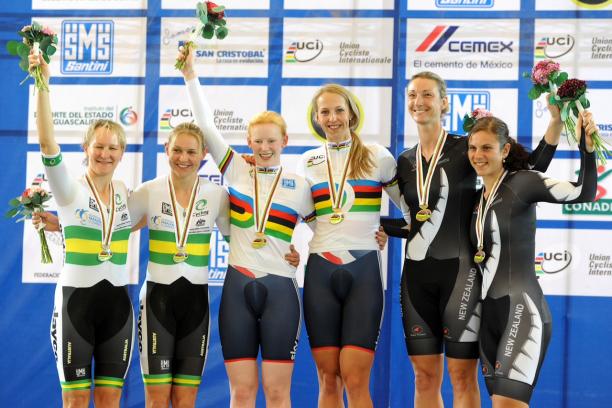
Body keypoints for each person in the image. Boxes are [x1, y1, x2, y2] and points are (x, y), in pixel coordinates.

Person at [382, 71, 562, 408]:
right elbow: (416, 220)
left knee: (461, 377)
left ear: (444, 102)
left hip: (461, 277)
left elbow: (529, 169)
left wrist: (554, 123)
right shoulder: (404, 161)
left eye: (427, 95)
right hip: (416, 280)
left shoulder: (468, 148)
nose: (418, 102)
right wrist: (379, 229)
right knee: (423, 378)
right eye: (412, 95)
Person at [179, 49, 314, 407]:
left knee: (277, 392)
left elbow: (331, 230)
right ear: (248, 142)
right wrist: (190, 75)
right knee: (240, 392)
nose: (266, 147)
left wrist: (372, 236)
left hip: (281, 289)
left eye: (272, 141)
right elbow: (206, 128)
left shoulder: (300, 186)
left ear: (285, 141)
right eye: (259, 141)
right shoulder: (236, 169)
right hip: (237, 286)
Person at [467, 113, 597, 407]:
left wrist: (586, 147)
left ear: (505, 150)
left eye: (486, 148)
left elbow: (584, 192)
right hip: (489, 316)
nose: (478, 155)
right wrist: (382, 228)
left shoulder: (523, 183)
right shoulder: (477, 199)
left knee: (507, 404)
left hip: (522, 309)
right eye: (473, 148)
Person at [30, 53, 134, 407]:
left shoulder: (124, 192)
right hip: (76, 302)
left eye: (113, 147)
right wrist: (43, 83)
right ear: (85, 149)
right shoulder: (68, 189)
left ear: (122, 153)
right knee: (75, 403)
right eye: (99, 146)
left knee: (109, 401)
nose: (105, 153)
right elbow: (47, 144)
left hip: (118, 305)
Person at [299, 83, 402, 407]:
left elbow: (413, 211)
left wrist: (387, 228)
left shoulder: (377, 156)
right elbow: (303, 215)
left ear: (352, 113)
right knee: (328, 379)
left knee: (356, 379)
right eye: (325, 112)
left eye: (338, 110)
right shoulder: (308, 161)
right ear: (316, 118)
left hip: (364, 271)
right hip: (320, 269)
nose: (332, 118)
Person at [128, 122, 230, 407]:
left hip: (196, 304)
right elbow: (112, 224)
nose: (183, 158)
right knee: (157, 399)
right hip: (157, 302)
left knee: (186, 400)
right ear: (166, 150)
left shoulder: (217, 195)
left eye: (191, 152)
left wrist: (282, 250)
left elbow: (239, 239)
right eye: (177, 150)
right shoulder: (148, 191)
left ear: (204, 154)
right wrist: (59, 222)